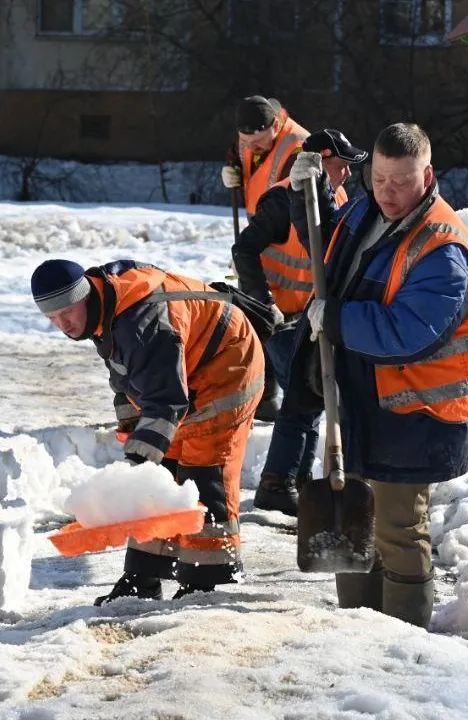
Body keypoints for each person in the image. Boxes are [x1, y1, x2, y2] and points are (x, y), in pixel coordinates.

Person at [284, 123, 468, 629]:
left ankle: (403, 643)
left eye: (402, 181)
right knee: (355, 521)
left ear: (429, 175)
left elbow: (412, 331)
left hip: (415, 413)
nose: (389, 193)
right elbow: (328, 244)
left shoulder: (441, 247)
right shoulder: (366, 209)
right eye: (379, 179)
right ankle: (359, 635)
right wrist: (307, 191)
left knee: (396, 528)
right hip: (362, 402)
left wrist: (335, 320)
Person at [30, 258, 264, 605]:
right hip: (183, 373)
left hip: (226, 368)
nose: (62, 324)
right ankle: (144, 577)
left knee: (203, 470)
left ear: (84, 297)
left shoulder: (140, 323)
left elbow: (166, 400)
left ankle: (206, 581)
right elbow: (126, 378)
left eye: (67, 312)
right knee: (159, 475)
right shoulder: (102, 309)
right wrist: (131, 429)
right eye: (52, 318)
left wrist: (139, 458)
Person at [230, 129, 366, 515]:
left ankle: (293, 480)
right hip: (281, 318)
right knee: (301, 402)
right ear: (323, 161)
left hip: (310, 316)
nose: (348, 175)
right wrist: (263, 302)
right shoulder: (281, 198)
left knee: (308, 399)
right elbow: (244, 249)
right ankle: (278, 482)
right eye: (343, 165)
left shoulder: (332, 195)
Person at [220, 95, 309, 421]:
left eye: (258, 141)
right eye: (246, 141)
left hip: (291, 255)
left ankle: (296, 404)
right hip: (259, 250)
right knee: (258, 321)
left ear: (276, 124)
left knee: (283, 328)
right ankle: (265, 398)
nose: (251, 147)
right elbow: (240, 153)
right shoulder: (250, 139)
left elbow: (291, 198)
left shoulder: (297, 148)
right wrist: (232, 165)